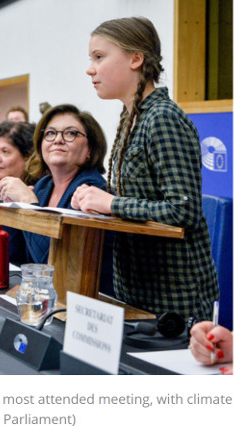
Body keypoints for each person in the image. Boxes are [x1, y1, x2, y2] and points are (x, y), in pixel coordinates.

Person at [71, 17, 219, 320]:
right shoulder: (130, 117)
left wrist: (112, 203)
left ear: (135, 59)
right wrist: (93, 199)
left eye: (99, 57)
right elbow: (138, 195)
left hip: (175, 299)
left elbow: (183, 210)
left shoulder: (163, 118)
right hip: (135, 289)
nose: (90, 69)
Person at [0, 105, 107, 264]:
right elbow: (15, 257)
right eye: (50, 133)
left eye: (70, 133)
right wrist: (14, 209)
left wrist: (28, 204)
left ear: (89, 149)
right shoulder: (43, 185)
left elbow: (51, 263)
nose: (58, 140)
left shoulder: (92, 190)